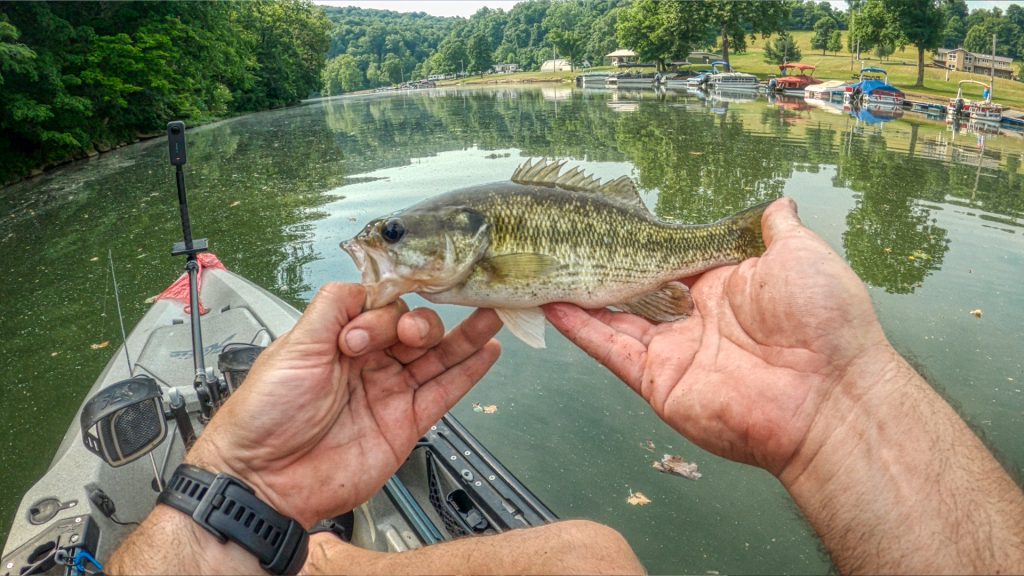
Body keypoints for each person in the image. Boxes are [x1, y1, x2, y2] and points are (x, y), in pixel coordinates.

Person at [108, 198, 1024, 575]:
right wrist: (839, 409)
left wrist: (839, 392)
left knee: (594, 556)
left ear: (466, 233)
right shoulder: (463, 264)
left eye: (394, 235)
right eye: (388, 239)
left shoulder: (482, 249)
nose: (378, 249)